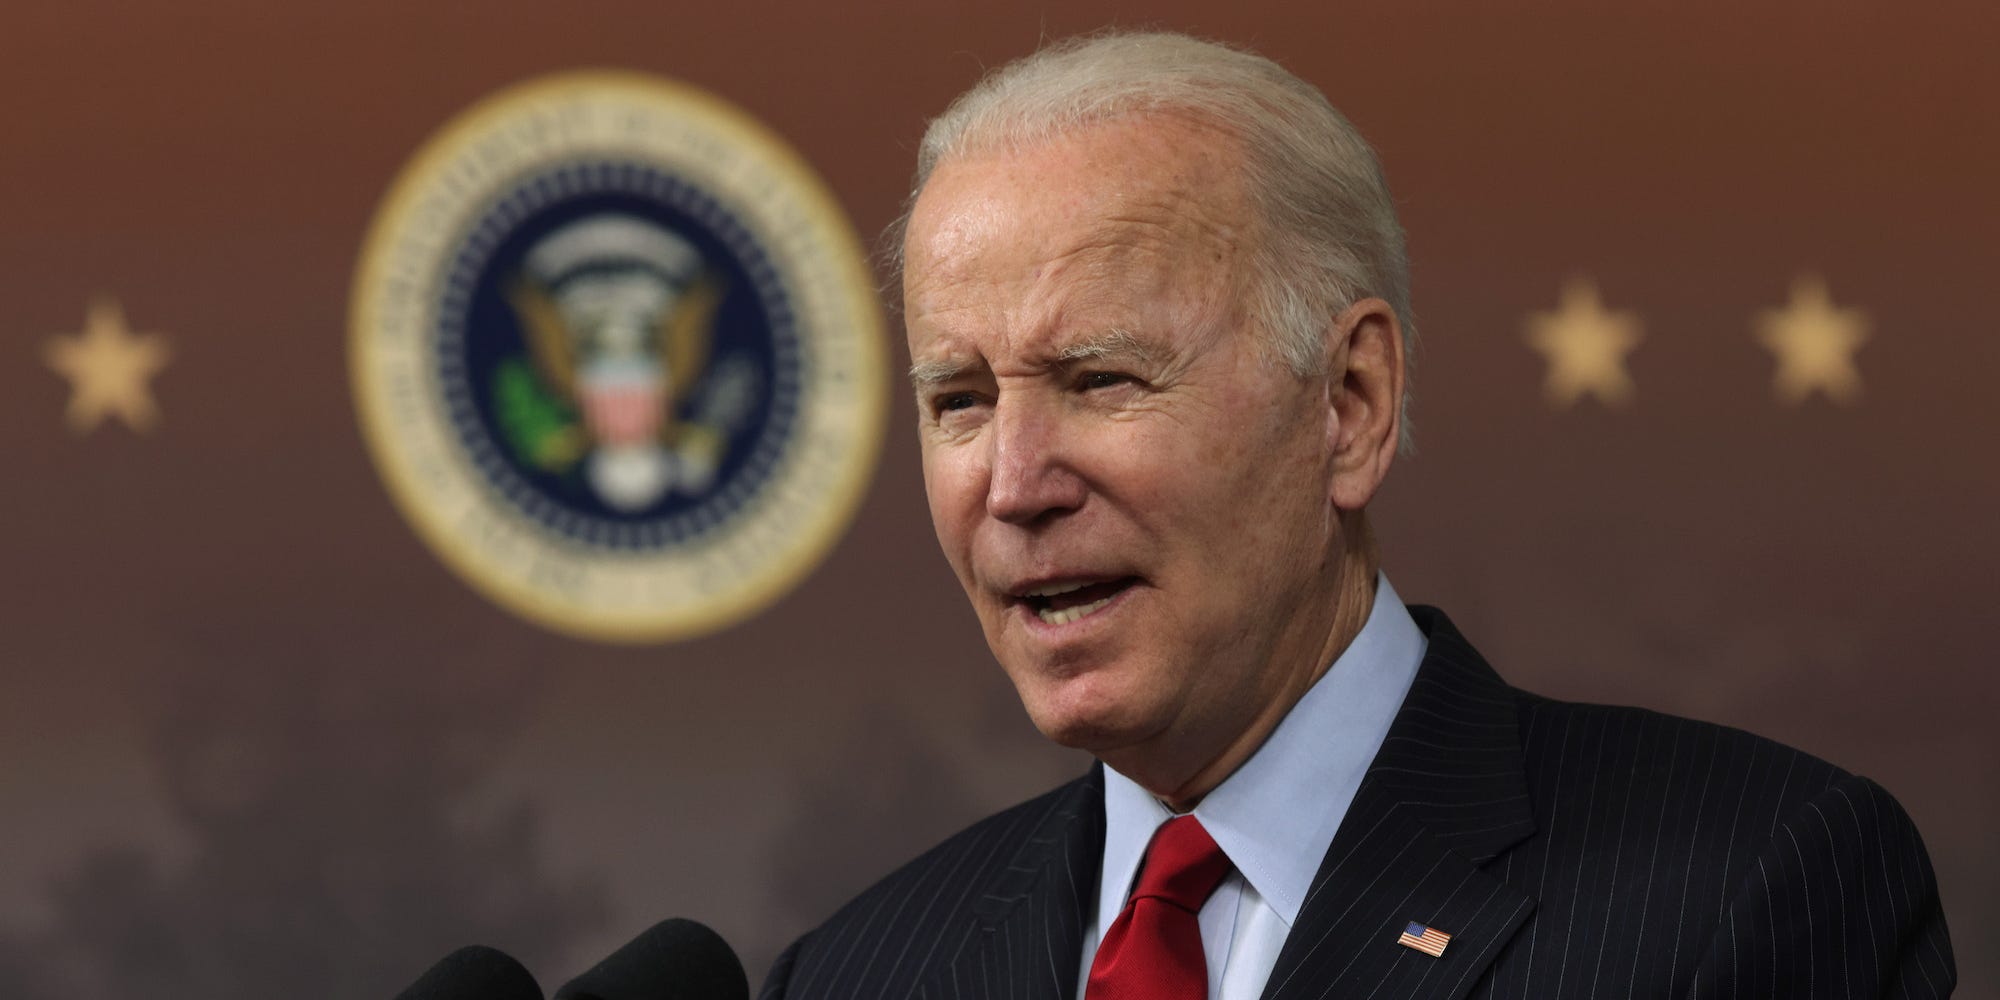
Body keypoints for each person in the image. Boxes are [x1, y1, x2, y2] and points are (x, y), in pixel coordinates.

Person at [761, 30, 1955, 1000]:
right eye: (959, 401)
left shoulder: (1746, 881)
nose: (1013, 484)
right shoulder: (858, 970)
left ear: (1348, 403)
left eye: (1100, 379)